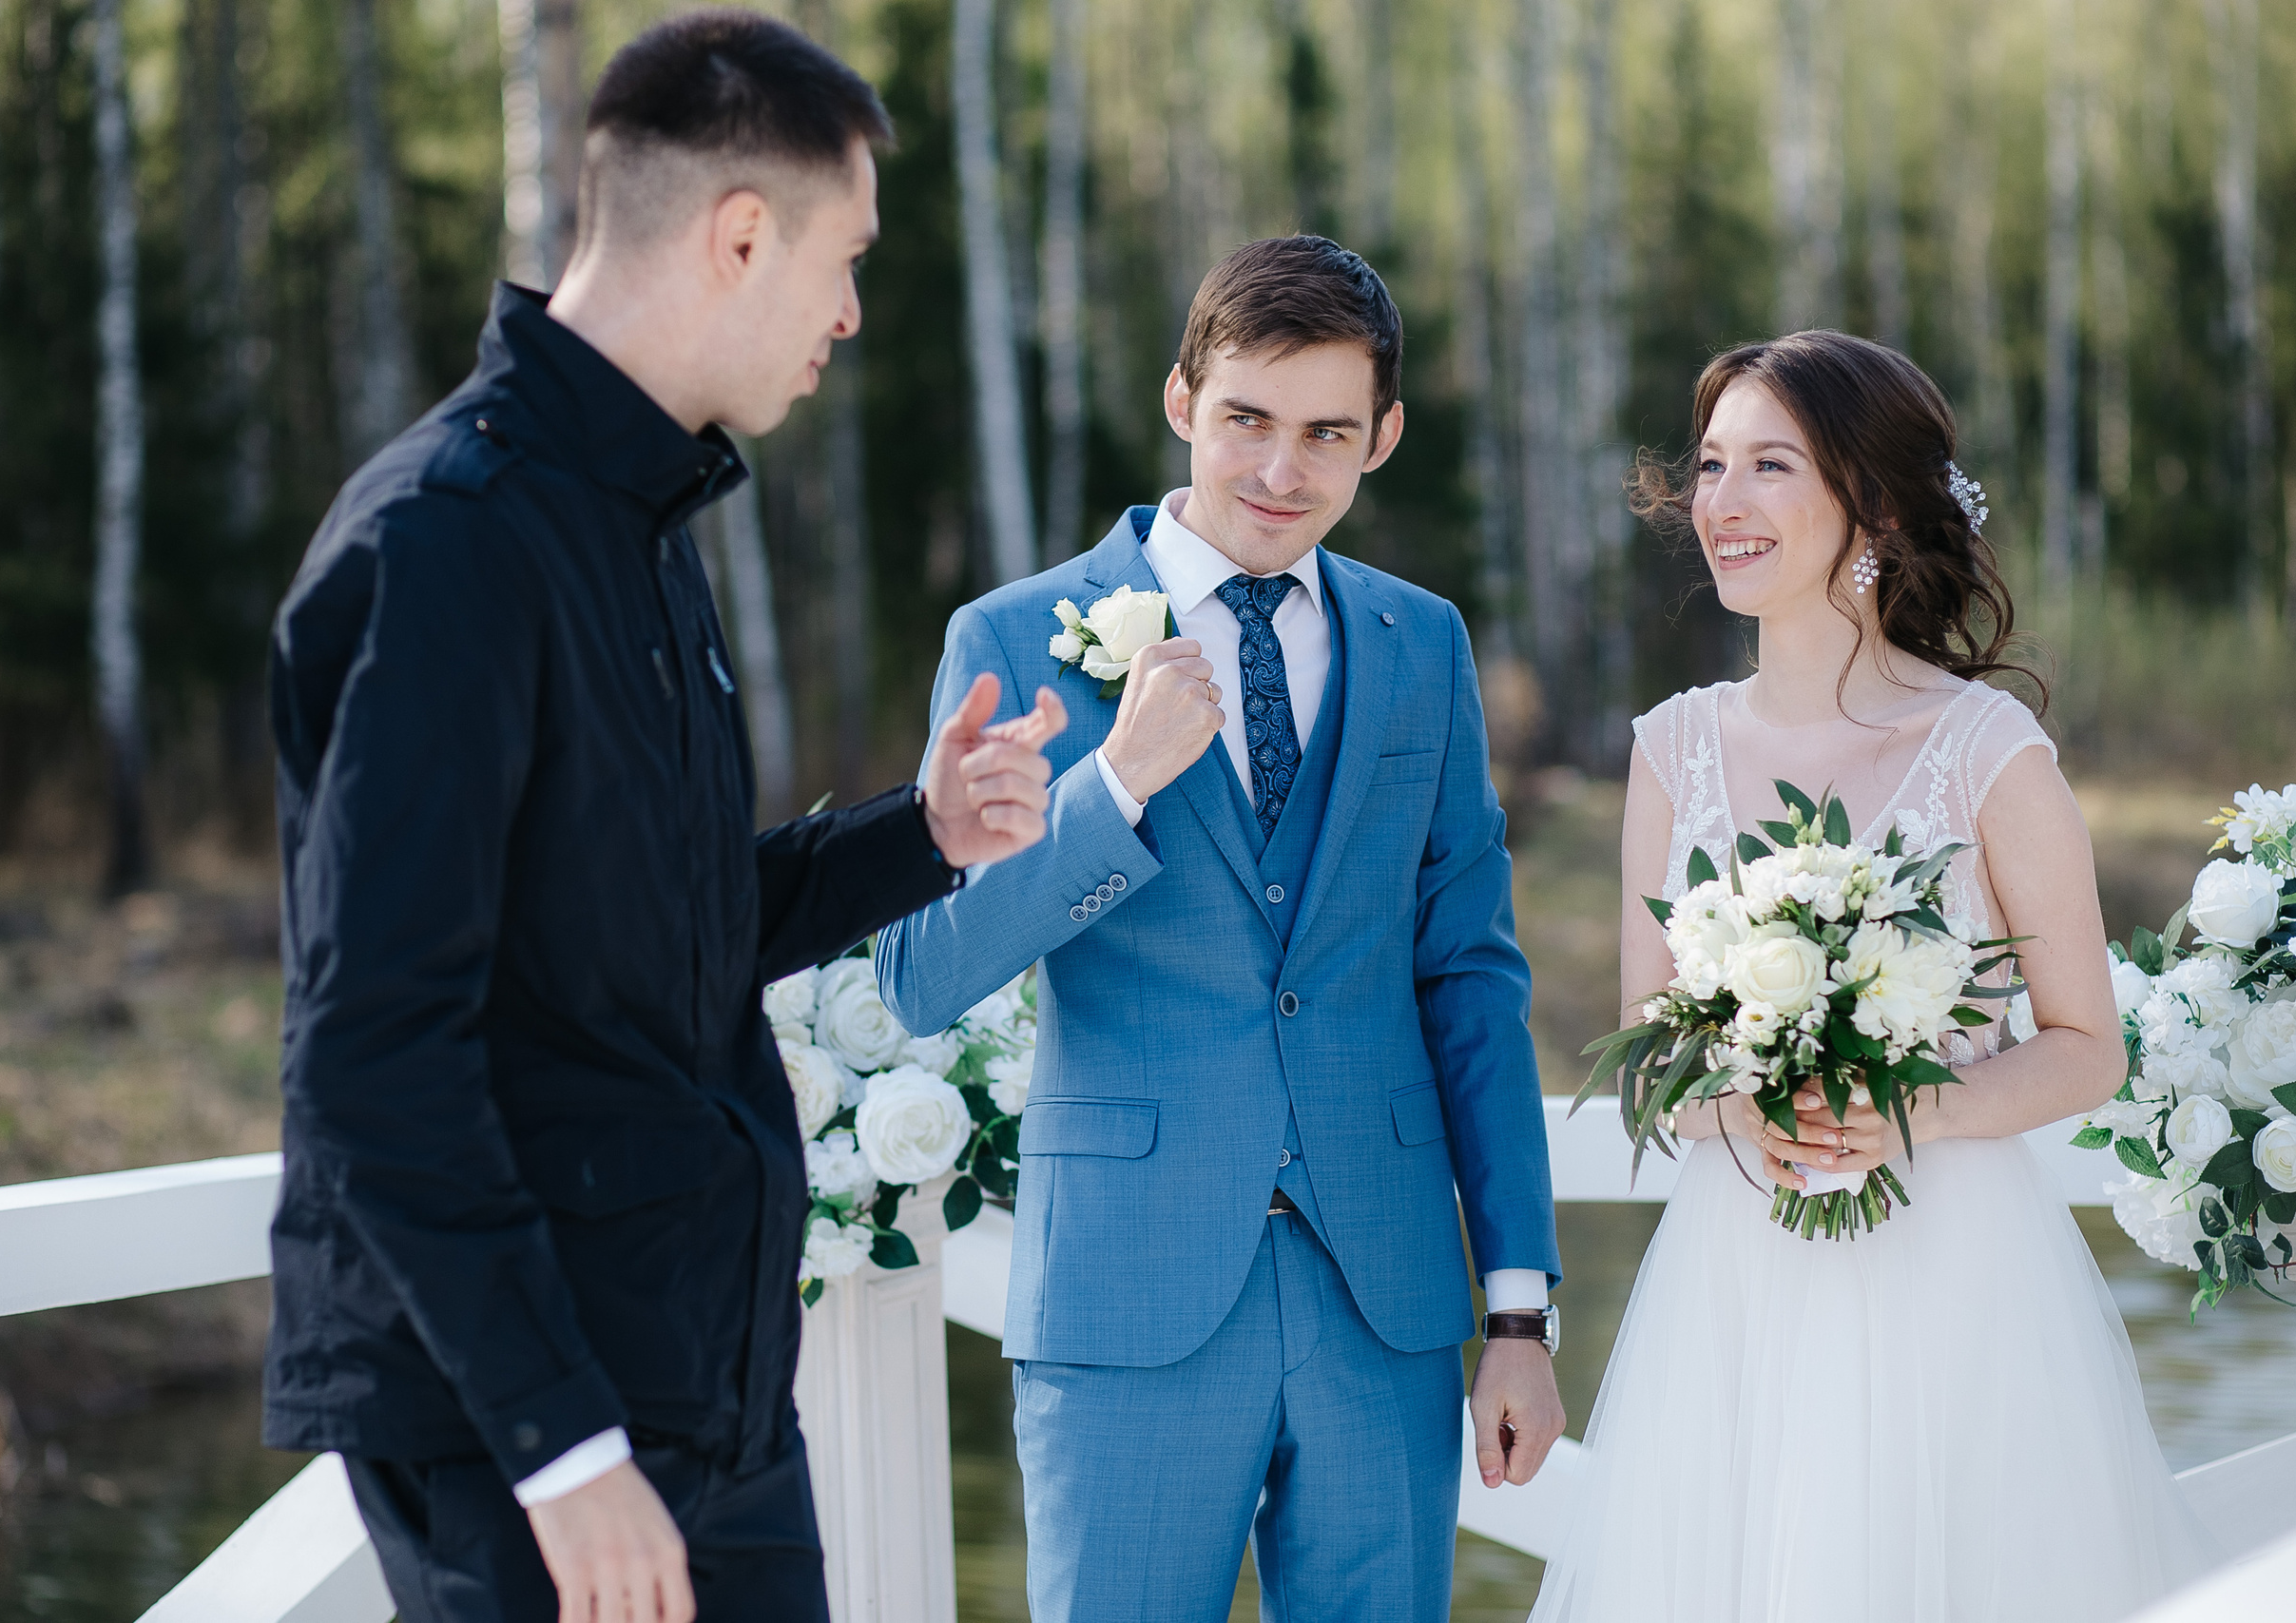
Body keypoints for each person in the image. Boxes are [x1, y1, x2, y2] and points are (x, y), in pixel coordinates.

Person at [261, 12, 1065, 1623]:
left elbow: (663, 922)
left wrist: (926, 833)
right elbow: (374, 1051)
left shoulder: (645, 526)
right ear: (741, 233)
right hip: (527, 1425)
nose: (847, 312)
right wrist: (564, 1452)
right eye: (843, 258)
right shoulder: (447, 548)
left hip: (705, 1383)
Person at [878, 234, 1565, 1623]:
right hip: (1129, 1300)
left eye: (1326, 434)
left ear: (1383, 438)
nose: (1279, 472)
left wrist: (1517, 1316)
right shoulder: (1013, 637)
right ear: (1183, 399)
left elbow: (1471, 983)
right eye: (1247, 419)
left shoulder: (1422, 644)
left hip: (1383, 1306)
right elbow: (920, 976)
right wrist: (1113, 783)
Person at [1527, 331, 2219, 1623]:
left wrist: (1914, 1108)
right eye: (1712, 466)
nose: (1720, 504)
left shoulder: (1984, 749)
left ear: (1877, 508)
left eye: (1769, 466)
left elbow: (2085, 1044)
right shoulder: (1673, 748)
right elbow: (1648, 1047)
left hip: (1955, 1278)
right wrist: (1745, 1104)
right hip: (1736, 1284)